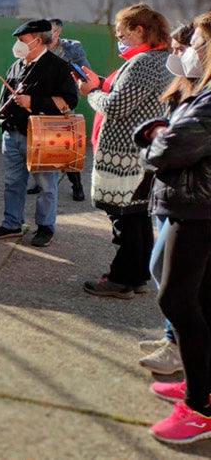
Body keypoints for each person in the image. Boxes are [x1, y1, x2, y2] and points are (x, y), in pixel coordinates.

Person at [135, 33, 211, 443]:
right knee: (198, 300)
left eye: (197, 45)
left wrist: (152, 142)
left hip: (197, 209)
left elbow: (170, 149)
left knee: (177, 300)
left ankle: (201, 409)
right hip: (194, 206)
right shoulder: (202, 93)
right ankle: (202, 388)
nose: (188, 53)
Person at [79, 3, 173, 298]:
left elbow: (117, 106)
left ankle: (121, 278)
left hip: (125, 155)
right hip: (139, 152)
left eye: (122, 33)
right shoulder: (160, 59)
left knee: (124, 218)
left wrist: (92, 92)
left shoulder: (144, 62)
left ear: (139, 30)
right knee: (136, 216)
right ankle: (138, 276)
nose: (119, 39)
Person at [138, 22, 200, 376]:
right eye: (175, 49)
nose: (176, 56)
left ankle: (182, 348)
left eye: (183, 48)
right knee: (165, 274)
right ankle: (172, 339)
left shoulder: (203, 97)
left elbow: (168, 146)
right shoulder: (186, 89)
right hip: (171, 192)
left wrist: (156, 142)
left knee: (173, 279)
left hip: (190, 199)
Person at [0, 19, 78, 247]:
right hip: (13, 134)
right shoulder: (16, 65)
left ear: (37, 40)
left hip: (43, 136)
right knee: (13, 182)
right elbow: (3, 99)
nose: (18, 44)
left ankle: (46, 228)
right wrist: (4, 123)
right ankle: (11, 224)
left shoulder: (57, 67)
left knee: (46, 185)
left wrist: (33, 101)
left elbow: (69, 100)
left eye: (22, 40)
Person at [34, 18, 89, 201]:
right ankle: (39, 182)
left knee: (68, 145)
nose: (42, 35)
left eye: (47, 31)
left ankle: (77, 185)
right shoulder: (36, 45)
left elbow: (84, 72)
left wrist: (67, 96)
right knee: (38, 143)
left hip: (63, 101)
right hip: (40, 101)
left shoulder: (72, 48)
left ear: (57, 33)